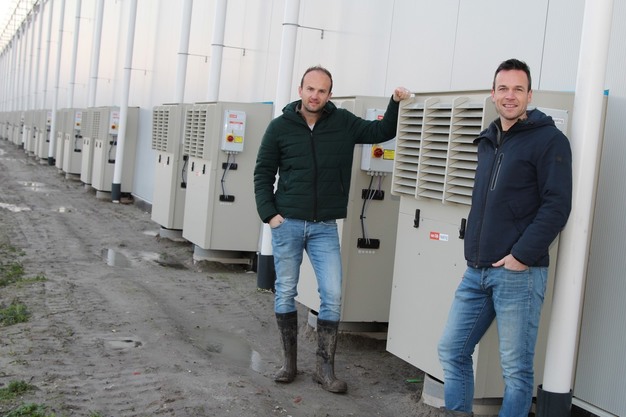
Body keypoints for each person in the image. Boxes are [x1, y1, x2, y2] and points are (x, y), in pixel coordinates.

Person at [254, 65, 410, 393]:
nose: (315, 95)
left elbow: (381, 131)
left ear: (329, 94)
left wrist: (395, 102)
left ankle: (324, 370)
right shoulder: (279, 127)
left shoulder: (343, 123)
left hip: (324, 226)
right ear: (300, 90)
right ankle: (289, 364)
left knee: (333, 295)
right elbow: (263, 172)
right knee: (285, 290)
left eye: (322, 91)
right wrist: (270, 215)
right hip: (288, 223)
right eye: (310, 89)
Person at [437, 58, 573, 416]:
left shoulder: (550, 141)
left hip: (519, 273)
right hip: (477, 269)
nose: (509, 96)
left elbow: (557, 206)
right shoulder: (489, 139)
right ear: (493, 93)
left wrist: (521, 256)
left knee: (516, 371)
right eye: (503, 88)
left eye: (517, 89)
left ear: (530, 94)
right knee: (452, 350)